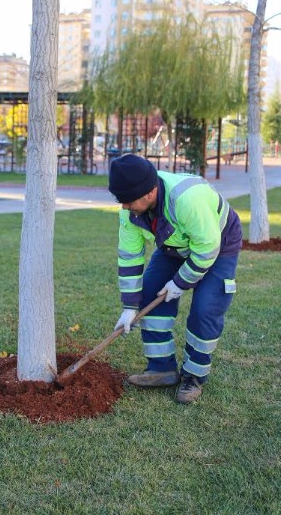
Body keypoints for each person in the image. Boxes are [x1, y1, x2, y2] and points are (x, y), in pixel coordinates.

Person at [108, 155, 243, 404]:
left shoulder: (186, 199)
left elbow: (206, 249)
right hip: (175, 246)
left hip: (218, 244)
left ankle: (193, 376)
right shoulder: (129, 215)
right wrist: (129, 307)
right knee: (150, 294)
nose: (124, 207)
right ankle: (162, 369)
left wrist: (180, 282)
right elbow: (129, 259)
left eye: (127, 200)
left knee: (205, 309)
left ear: (148, 193)